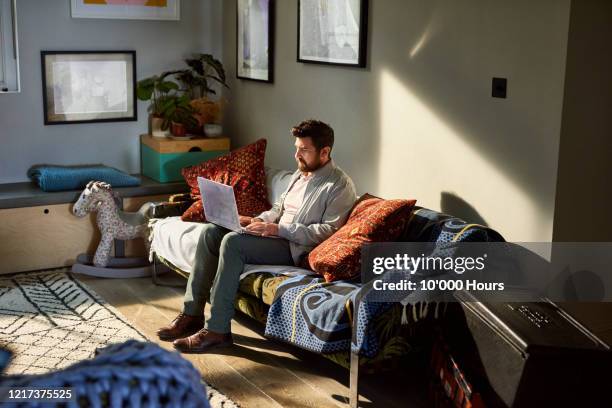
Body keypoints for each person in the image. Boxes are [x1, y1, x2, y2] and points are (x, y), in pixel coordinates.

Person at [157, 119, 357, 353]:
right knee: (212, 232)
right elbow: (278, 209)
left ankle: (217, 330)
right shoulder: (301, 174)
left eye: (304, 149)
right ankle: (192, 314)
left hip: (295, 248)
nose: (297, 155)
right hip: (276, 235)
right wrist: (259, 220)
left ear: (325, 152)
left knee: (233, 243)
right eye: (296, 147)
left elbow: (328, 232)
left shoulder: (339, 185)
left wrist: (278, 230)